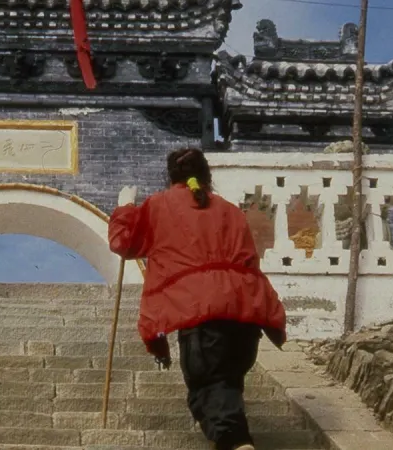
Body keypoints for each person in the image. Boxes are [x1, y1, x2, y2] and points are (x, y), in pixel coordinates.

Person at [108, 147, 287, 450]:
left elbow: (123, 244)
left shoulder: (159, 206)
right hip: (246, 314)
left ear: (170, 177)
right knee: (227, 386)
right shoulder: (230, 210)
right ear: (206, 175)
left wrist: (125, 207)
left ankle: (239, 444)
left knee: (210, 392)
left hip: (201, 314)